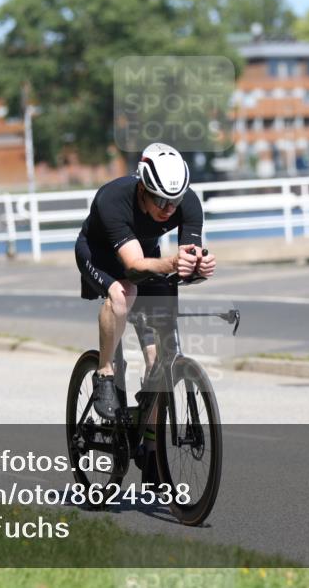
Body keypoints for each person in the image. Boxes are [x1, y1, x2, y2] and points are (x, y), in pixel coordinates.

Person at [75, 142, 216, 425]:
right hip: (101, 255)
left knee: (158, 359)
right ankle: (104, 372)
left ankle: (149, 442)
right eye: (161, 201)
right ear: (142, 189)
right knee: (122, 292)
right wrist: (172, 263)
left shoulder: (186, 202)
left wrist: (197, 267)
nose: (168, 209)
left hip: (146, 255)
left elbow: (183, 261)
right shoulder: (113, 198)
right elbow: (133, 267)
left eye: (174, 201)